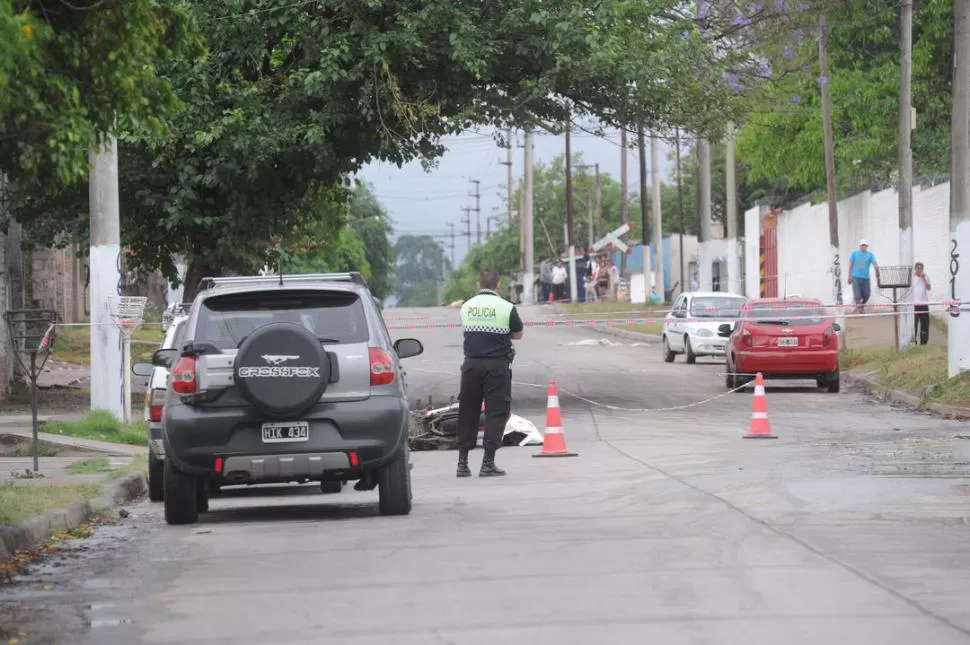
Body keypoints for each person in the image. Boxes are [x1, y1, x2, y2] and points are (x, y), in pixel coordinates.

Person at [456, 270, 524, 478]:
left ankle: (462, 463)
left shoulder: (466, 306)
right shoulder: (507, 307)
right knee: (496, 412)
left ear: (478, 285)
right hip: (497, 367)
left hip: (471, 365)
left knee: (468, 412)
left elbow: (469, 331)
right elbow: (518, 334)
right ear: (499, 285)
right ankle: (488, 463)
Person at [847, 239, 880, 313]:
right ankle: (861, 310)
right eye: (862, 245)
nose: (863, 247)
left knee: (867, 295)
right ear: (860, 246)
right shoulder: (854, 254)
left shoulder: (870, 255)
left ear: (867, 246)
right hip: (855, 277)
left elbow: (875, 263)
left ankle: (859, 307)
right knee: (857, 295)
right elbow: (851, 266)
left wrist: (877, 270)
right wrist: (849, 276)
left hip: (866, 278)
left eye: (865, 245)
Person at [911, 261, 932, 345]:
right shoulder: (911, 277)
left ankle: (924, 342)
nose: (919, 270)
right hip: (913, 304)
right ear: (915, 269)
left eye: (921, 268)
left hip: (923, 303)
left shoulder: (926, 277)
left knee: (925, 324)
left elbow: (929, 288)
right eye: (918, 268)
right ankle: (913, 340)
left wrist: (923, 278)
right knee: (914, 324)